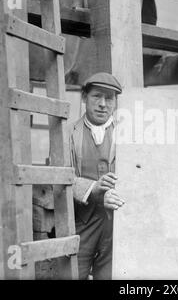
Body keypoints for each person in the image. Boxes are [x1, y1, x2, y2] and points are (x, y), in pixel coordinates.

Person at [68, 72, 125, 280]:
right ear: (84, 97)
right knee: (74, 274)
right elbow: (62, 178)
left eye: (109, 98)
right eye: (97, 96)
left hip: (117, 224)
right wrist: (93, 189)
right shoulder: (68, 133)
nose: (103, 104)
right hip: (81, 222)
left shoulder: (128, 134)